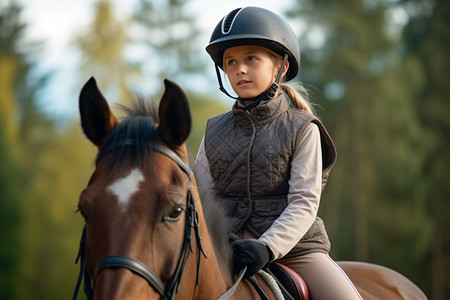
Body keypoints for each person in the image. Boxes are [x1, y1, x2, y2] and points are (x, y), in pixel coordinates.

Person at [194, 6, 362, 299]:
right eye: (230, 62)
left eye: (250, 59)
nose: (239, 69)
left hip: (295, 250)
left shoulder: (303, 128)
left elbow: (304, 201)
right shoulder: (213, 131)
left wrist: (267, 246)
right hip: (226, 251)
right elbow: (200, 197)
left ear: (280, 67)